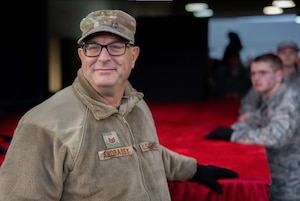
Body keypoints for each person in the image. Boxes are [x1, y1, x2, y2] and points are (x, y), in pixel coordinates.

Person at [0, 9, 238, 200]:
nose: (104, 57)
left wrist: (194, 169)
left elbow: (146, 151)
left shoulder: (136, 105)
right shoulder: (42, 125)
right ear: (82, 56)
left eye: (116, 47)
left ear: (133, 56)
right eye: (93, 47)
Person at [204, 53, 300, 201]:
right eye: (253, 73)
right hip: (277, 170)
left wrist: (232, 135)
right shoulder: (273, 96)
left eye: (263, 73)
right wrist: (234, 129)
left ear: (279, 75)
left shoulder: (289, 101)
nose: (256, 78)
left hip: (289, 179)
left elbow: (275, 137)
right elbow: (259, 119)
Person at [238, 41, 300, 121]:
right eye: (283, 52)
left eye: (291, 52)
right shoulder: (265, 78)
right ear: (277, 55)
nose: (287, 56)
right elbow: (248, 103)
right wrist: (255, 115)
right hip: (266, 123)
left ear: (296, 55)